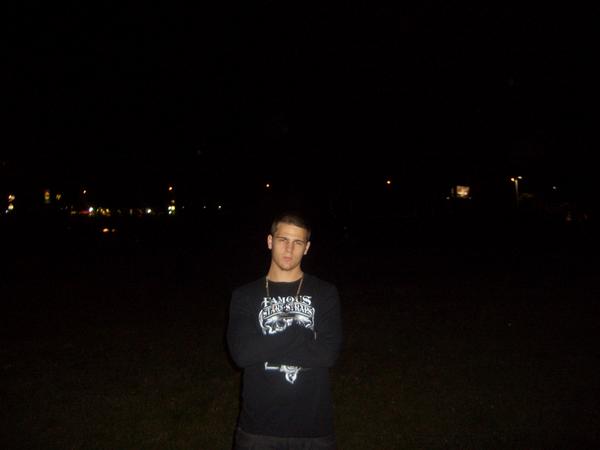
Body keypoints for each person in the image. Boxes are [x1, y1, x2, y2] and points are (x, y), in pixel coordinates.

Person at [227, 211, 343, 450]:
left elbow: (328, 354)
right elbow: (242, 354)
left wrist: (265, 344)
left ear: (306, 248)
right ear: (270, 241)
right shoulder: (245, 295)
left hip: (314, 429)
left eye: (298, 242)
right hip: (258, 430)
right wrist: (300, 335)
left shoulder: (325, 293)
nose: (289, 249)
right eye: (283, 240)